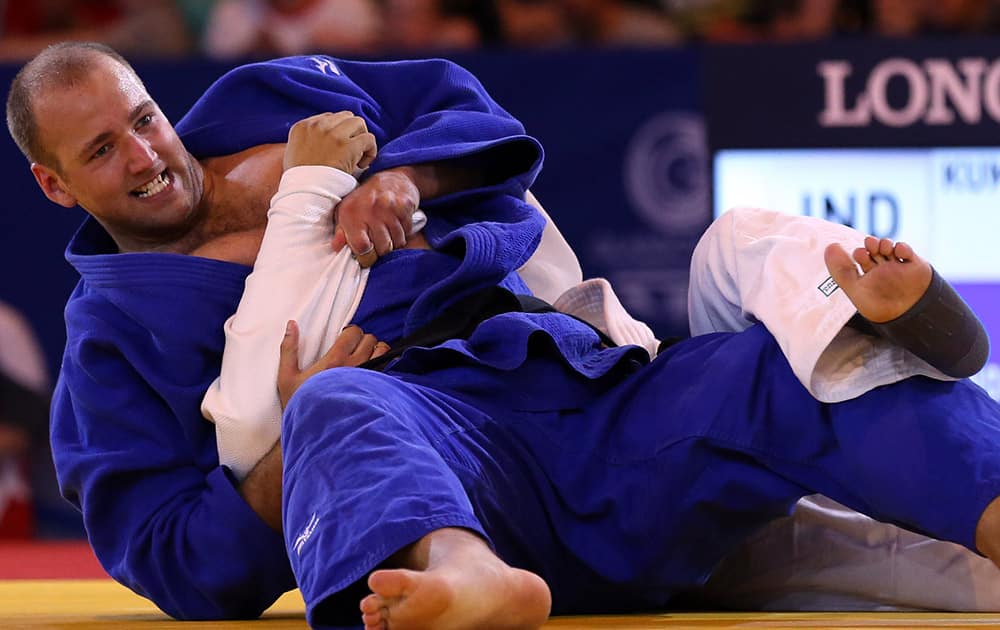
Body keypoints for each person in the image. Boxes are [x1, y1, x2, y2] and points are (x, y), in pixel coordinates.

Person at [9, 42, 1000, 630]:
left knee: (780, 366)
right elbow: (174, 562)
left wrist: (408, 182)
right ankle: (465, 575)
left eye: (141, 116)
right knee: (337, 404)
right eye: (101, 150)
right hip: (458, 467)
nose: (148, 154)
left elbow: (470, 118)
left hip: (586, 390)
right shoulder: (110, 347)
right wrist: (272, 468)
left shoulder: (274, 104)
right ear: (54, 185)